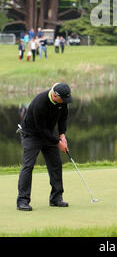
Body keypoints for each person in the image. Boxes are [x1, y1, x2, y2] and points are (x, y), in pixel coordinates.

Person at [17, 83, 73, 211]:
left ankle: (56, 198)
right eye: (63, 100)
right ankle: (22, 201)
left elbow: (63, 119)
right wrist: (58, 142)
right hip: (31, 134)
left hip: (48, 133)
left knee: (56, 164)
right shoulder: (40, 102)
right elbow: (40, 128)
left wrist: (62, 136)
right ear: (55, 95)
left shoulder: (62, 102)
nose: (65, 102)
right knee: (28, 165)